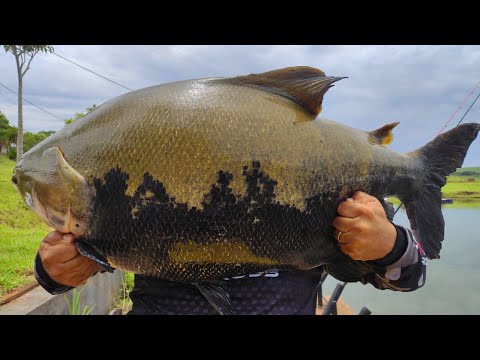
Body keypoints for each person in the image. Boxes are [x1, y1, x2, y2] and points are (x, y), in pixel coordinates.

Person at [34, 191, 426, 315]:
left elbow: (411, 277)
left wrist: (389, 243)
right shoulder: (145, 198)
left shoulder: (325, 193)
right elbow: (56, 270)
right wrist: (53, 270)